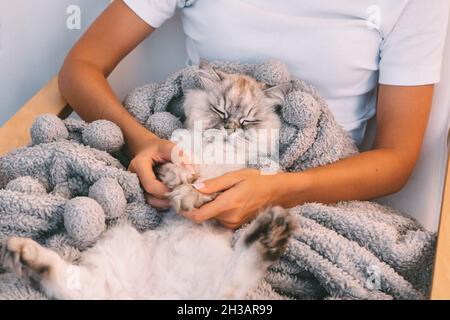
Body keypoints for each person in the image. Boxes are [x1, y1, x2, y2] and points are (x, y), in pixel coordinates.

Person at [58, 0, 450, 229]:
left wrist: (280, 189)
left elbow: (397, 159)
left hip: (309, 191)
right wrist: (142, 142)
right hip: (191, 161)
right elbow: (81, 67)